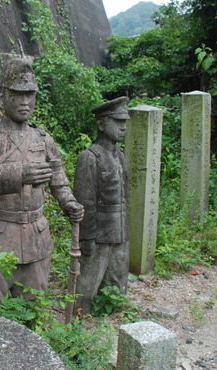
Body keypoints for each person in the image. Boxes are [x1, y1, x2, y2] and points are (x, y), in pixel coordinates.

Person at [0, 58, 84, 309]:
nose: (25, 102)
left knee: (33, 311)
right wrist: (18, 174)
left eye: (30, 94)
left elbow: (58, 179)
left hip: (36, 240)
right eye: (17, 95)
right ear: (3, 96)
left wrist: (69, 202)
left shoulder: (43, 139)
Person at [74, 96, 131, 314]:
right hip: (99, 232)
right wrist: (86, 237)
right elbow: (85, 202)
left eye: (124, 122)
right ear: (101, 124)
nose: (123, 127)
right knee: (87, 283)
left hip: (120, 230)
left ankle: (113, 311)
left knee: (117, 280)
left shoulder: (120, 155)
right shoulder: (89, 158)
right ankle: (79, 315)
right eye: (117, 121)